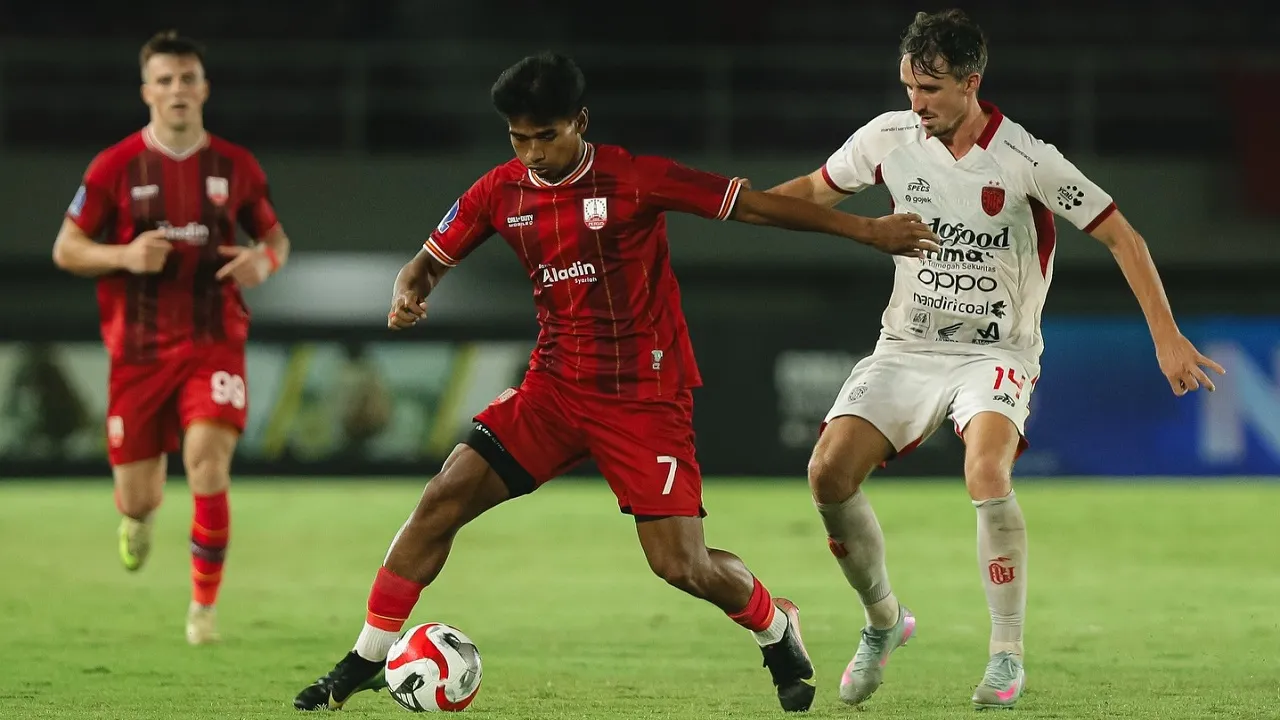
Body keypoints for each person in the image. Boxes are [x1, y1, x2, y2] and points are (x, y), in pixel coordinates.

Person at [293, 51, 940, 712]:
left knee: (678, 565)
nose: (534, 152)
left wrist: (866, 228)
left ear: (580, 121)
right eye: (520, 139)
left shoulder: (633, 178)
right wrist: (410, 293)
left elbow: (752, 206)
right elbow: (424, 264)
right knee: (441, 499)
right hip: (553, 389)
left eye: (547, 136)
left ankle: (775, 622)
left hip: (642, 398)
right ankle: (365, 660)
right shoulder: (499, 192)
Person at [765, 9, 1226, 710]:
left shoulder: (1027, 160)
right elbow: (811, 193)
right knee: (827, 473)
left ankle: (1006, 655)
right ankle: (884, 622)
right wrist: (727, 203)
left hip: (995, 352)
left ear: (971, 83)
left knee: (985, 469)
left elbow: (1123, 237)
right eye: (908, 87)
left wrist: (1167, 335)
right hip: (908, 345)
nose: (916, 104)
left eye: (931, 90)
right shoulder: (886, 139)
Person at [51, 29, 291, 645]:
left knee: (207, 465)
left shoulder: (235, 166)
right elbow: (66, 249)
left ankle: (202, 611)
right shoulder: (114, 165)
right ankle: (137, 520)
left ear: (204, 88)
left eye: (188, 78)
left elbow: (275, 240)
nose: (177, 90)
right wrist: (126, 257)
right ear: (146, 91)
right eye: (165, 80)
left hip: (214, 339)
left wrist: (265, 263)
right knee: (138, 496)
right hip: (137, 353)